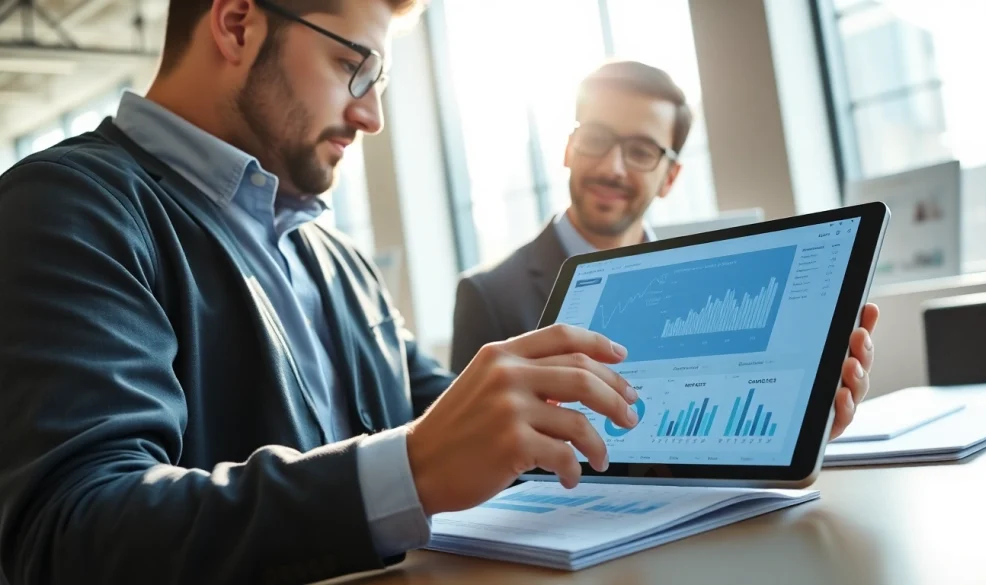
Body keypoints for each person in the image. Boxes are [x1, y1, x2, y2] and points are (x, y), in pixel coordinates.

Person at [0, 3, 871, 584]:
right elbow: (71, 533)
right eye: (353, 66)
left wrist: (743, 421)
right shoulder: (68, 207)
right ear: (235, 22)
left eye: (378, 82)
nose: (371, 114)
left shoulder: (332, 256)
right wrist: (411, 467)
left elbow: (478, 425)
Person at [449, 60, 878, 431]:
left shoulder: (707, 290)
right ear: (569, 149)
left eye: (640, 151)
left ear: (670, 178)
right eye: (596, 139)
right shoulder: (488, 296)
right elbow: (469, 454)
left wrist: (795, 427)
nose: (612, 167)